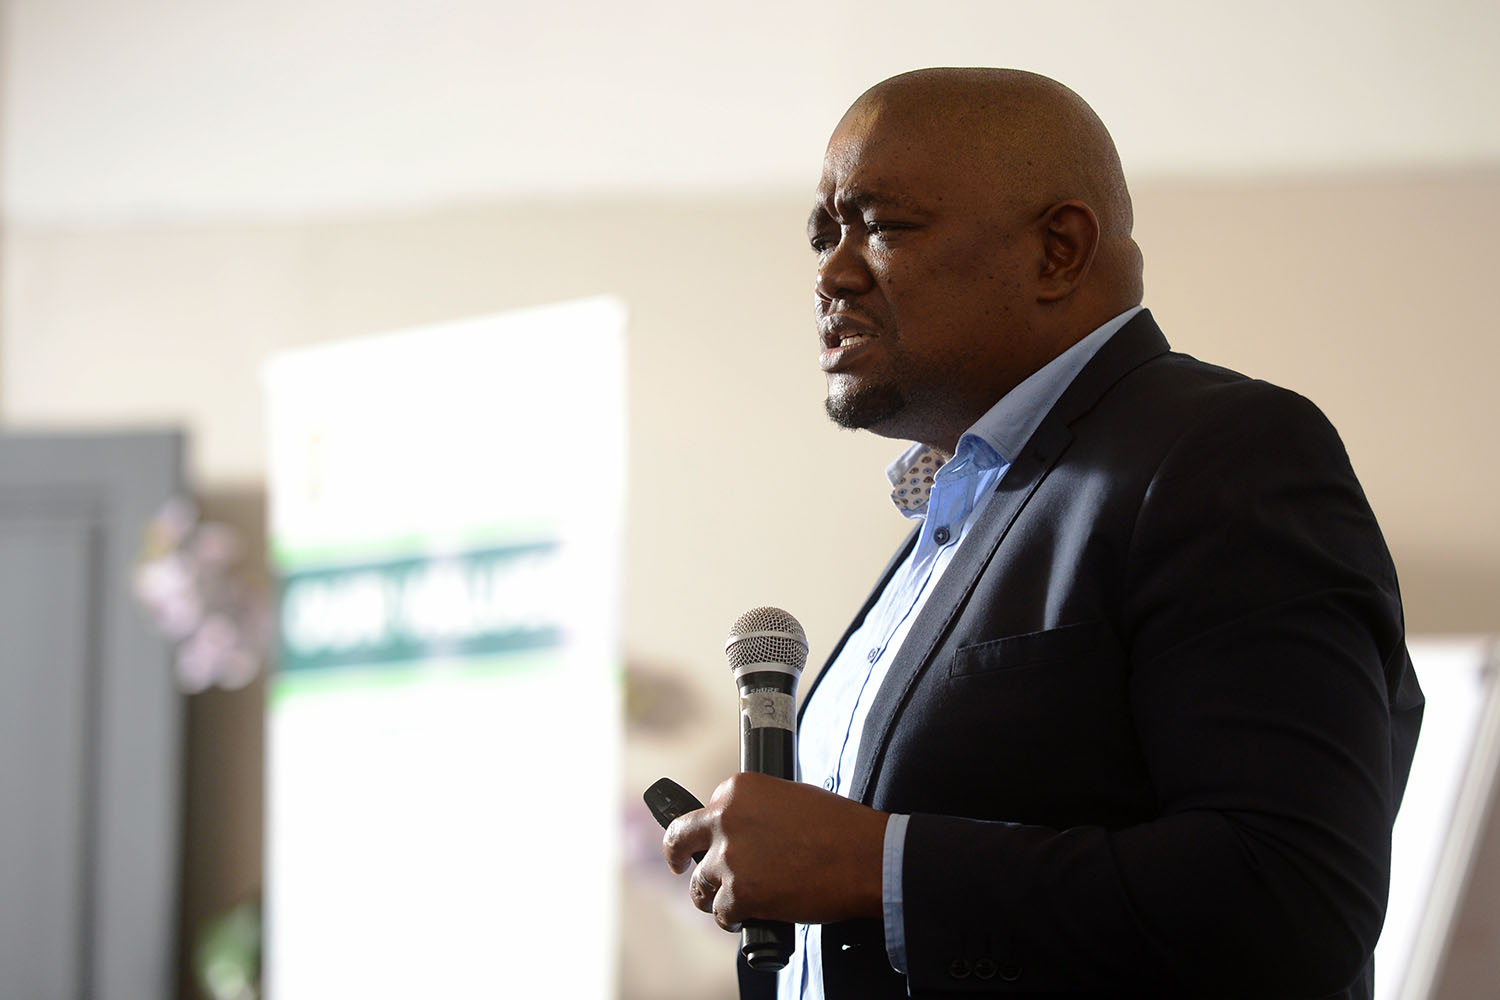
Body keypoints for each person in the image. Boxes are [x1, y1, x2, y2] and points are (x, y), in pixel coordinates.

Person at [662, 67, 1423, 999]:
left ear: (1058, 251)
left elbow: (1293, 898)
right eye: (824, 235)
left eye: (882, 225)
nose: (831, 272)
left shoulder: (1222, 452)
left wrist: (876, 863)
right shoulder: (962, 511)